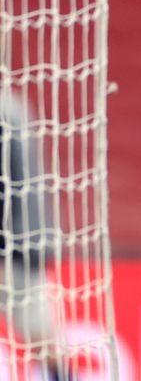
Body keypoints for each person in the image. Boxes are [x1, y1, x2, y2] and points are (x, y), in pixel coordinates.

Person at [0, 92, 63, 379]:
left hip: (16, 252)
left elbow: (10, 187)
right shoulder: (14, 106)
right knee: (41, 337)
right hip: (28, 246)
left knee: (40, 336)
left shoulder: (7, 112)